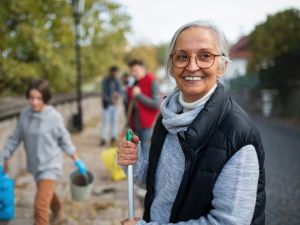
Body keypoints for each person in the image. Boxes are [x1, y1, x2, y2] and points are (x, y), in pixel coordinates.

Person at [118, 20, 265, 225]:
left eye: (205, 56)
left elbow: (228, 222)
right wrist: (135, 164)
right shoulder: (168, 116)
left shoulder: (237, 134)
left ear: (222, 66)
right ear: (171, 66)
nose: (192, 66)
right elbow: (162, 184)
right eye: (182, 57)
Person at [0, 79, 88, 225]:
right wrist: (2, 158)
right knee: (47, 193)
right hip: (35, 165)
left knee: (40, 206)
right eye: (31, 97)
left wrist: (76, 158)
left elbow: (64, 139)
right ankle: (59, 212)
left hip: (50, 165)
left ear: (45, 98)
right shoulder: (25, 115)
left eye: (38, 98)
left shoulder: (54, 117)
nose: (34, 102)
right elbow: (14, 139)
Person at [126, 59, 160, 161]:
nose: (133, 73)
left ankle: (145, 176)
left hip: (147, 124)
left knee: (145, 151)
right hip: (135, 123)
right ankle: (139, 174)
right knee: (137, 150)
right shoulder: (135, 83)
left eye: (135, 70)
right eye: (132, 71)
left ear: (143, 69)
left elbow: (156, 104)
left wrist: (139, 95)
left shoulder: (152, 81)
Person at [100, 66, 122, 146]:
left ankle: (113, 137)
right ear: (111, 72)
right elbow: (104, 93)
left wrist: (117, 94)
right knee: (105, 122)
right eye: (114, 72)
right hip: (107, 105)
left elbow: (120, 91)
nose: (115, 74)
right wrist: (110, 100)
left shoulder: (117, 81)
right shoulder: (105, 81)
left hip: (115, 105)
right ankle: (103, 138)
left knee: (114, 122)